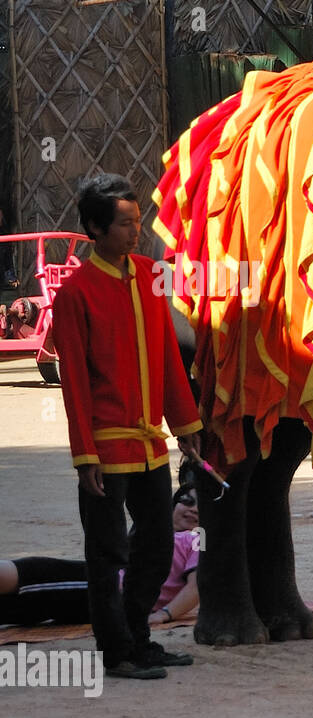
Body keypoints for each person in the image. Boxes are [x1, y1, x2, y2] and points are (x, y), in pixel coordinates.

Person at [50, 175, 202, 679]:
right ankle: (115, 651)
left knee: (157, 545)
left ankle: (138, 637)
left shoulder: (151, 275)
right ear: (95, 227)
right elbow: (72, 379)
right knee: (108, 551)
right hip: (106, 449)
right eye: (123, 224)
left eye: (138, 221)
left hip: (151, 447)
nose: (135, 231)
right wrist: (84, 455)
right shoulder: (75, 293)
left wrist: (186, 423)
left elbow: (168, 360)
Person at [0, 480, 202, 628]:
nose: (193, 509)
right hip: (100, 577)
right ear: (174, 504)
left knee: (34, 574)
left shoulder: (198, 539)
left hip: (113, 590)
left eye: (200, 507)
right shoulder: (155, 531)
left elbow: (196, 586)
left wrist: (165, 614)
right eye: (187, 500)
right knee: (25, 599)